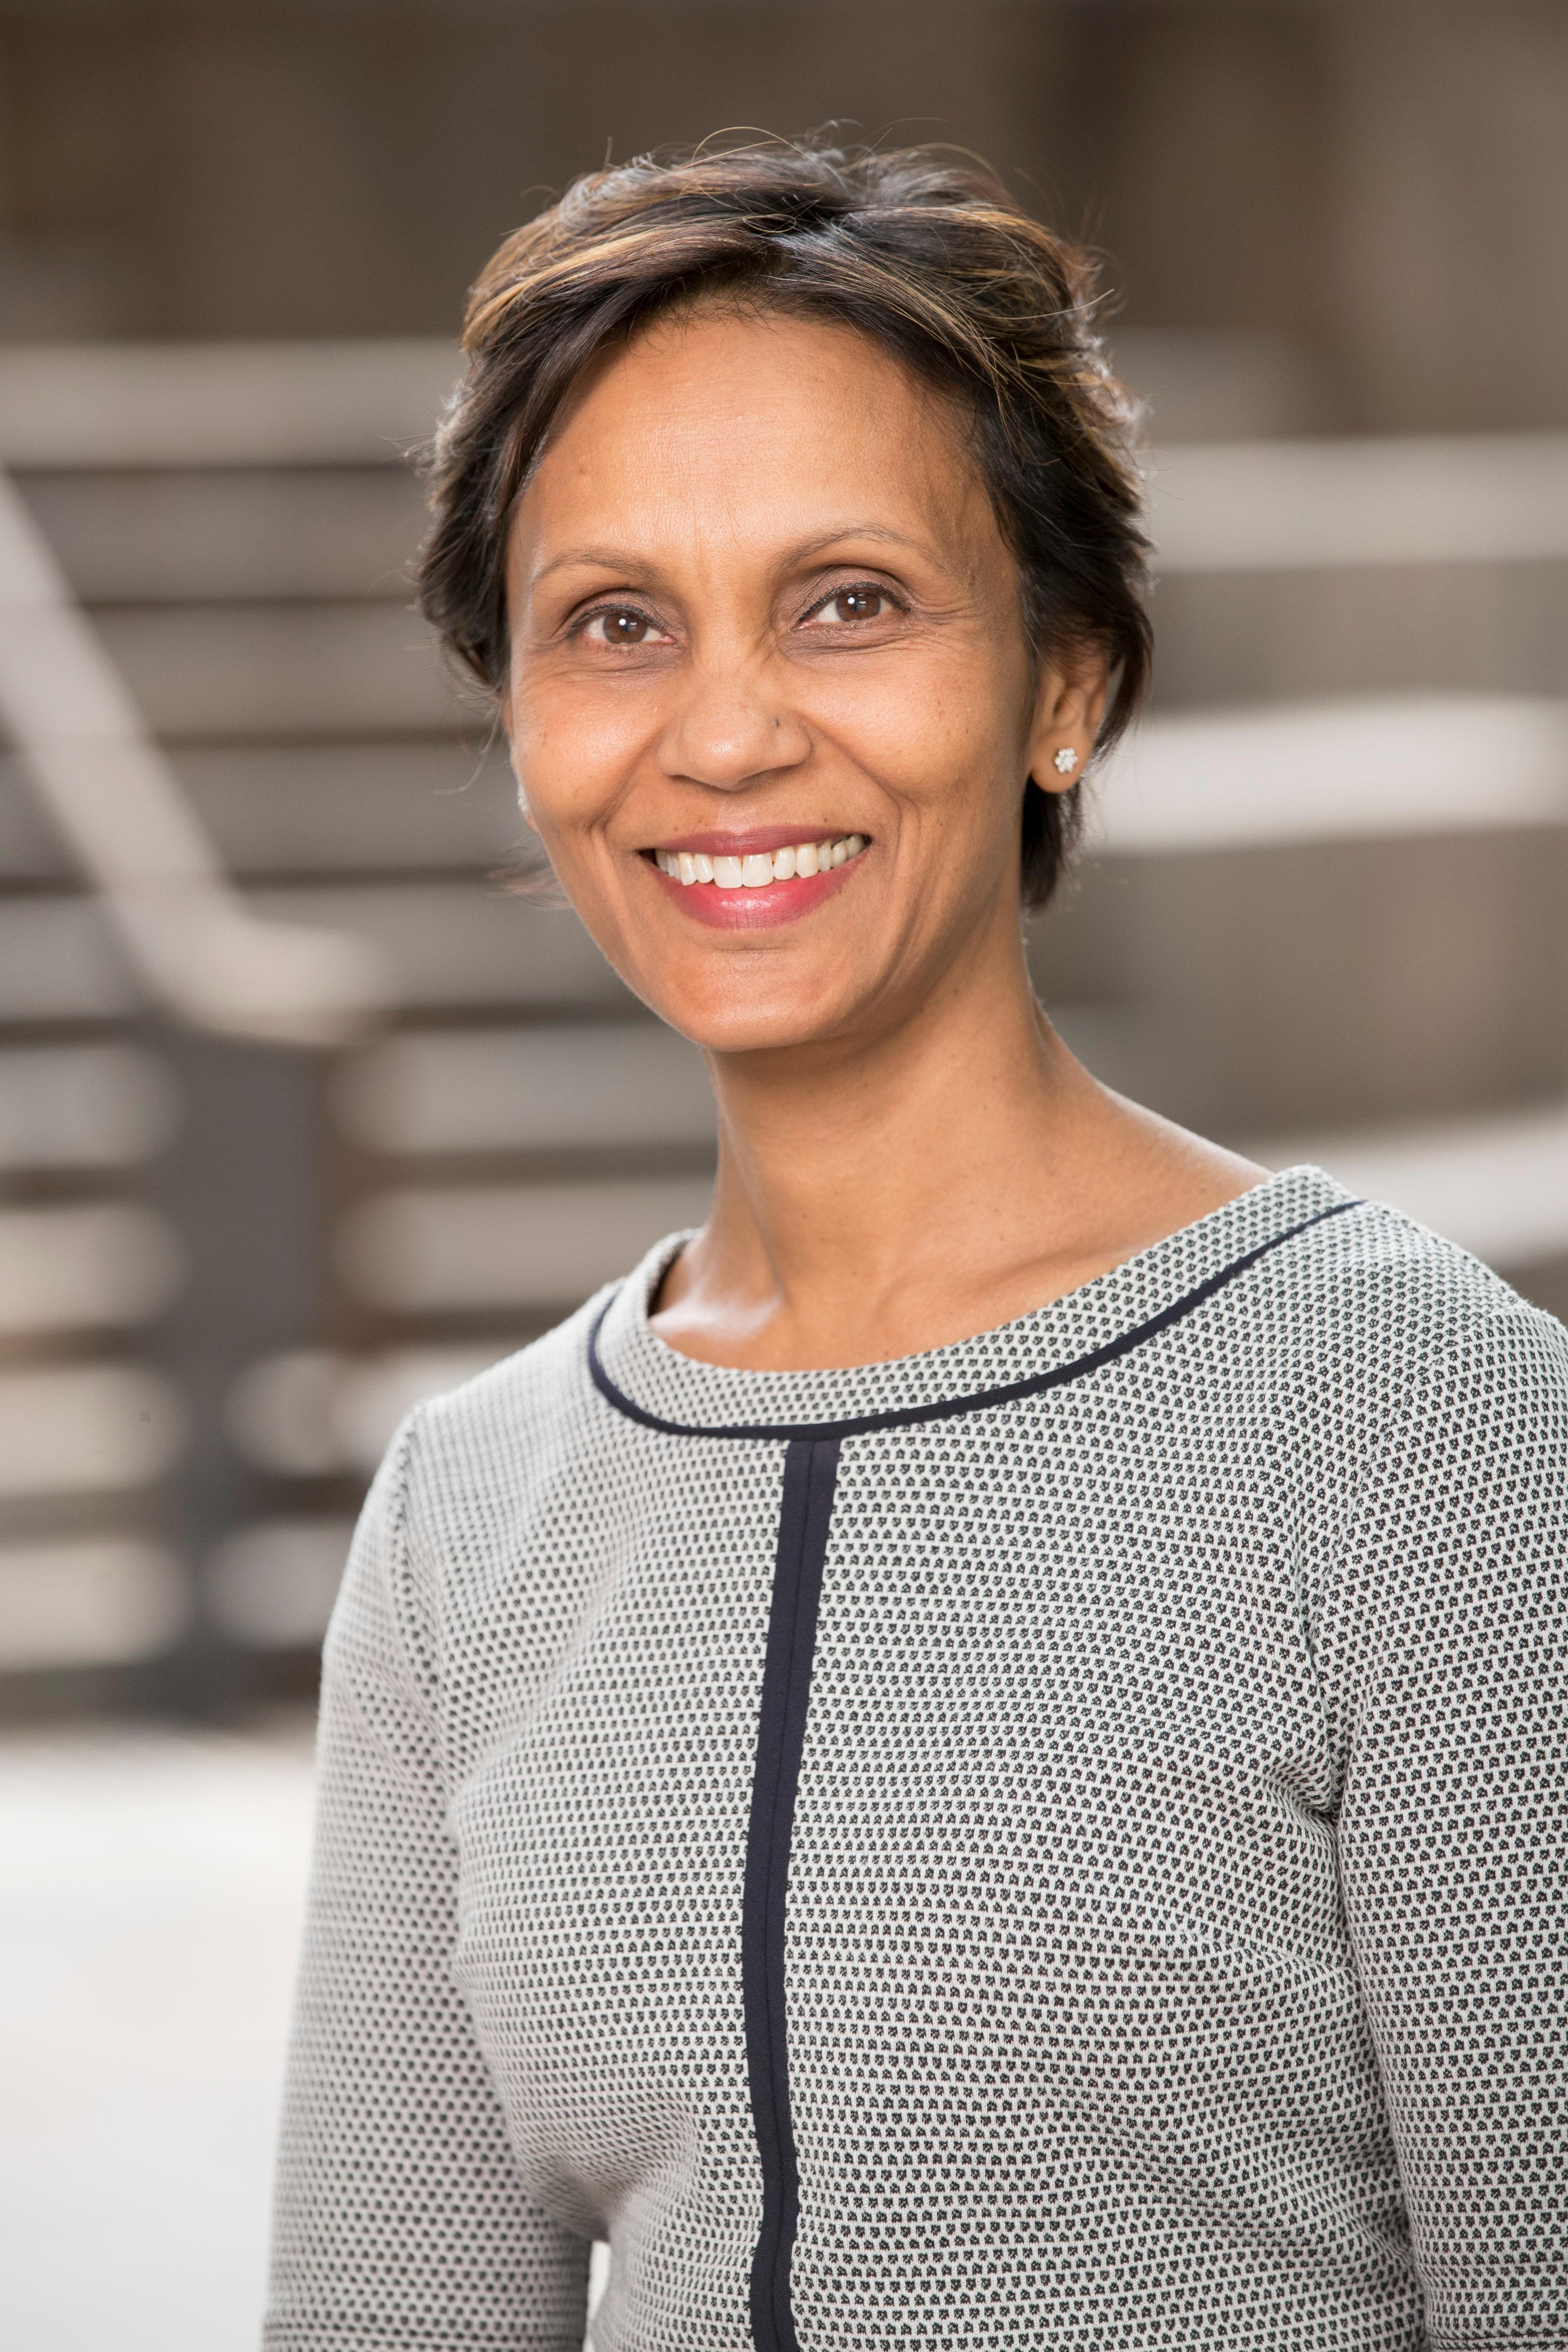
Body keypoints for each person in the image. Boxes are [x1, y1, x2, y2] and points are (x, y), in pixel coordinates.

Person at [264, 141, 1566, 2352]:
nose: (725, 732)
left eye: (850, 599)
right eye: (616, 623)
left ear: (1067, 681)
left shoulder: (1427, 1423)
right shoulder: (464, 1519)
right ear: (521, 715)